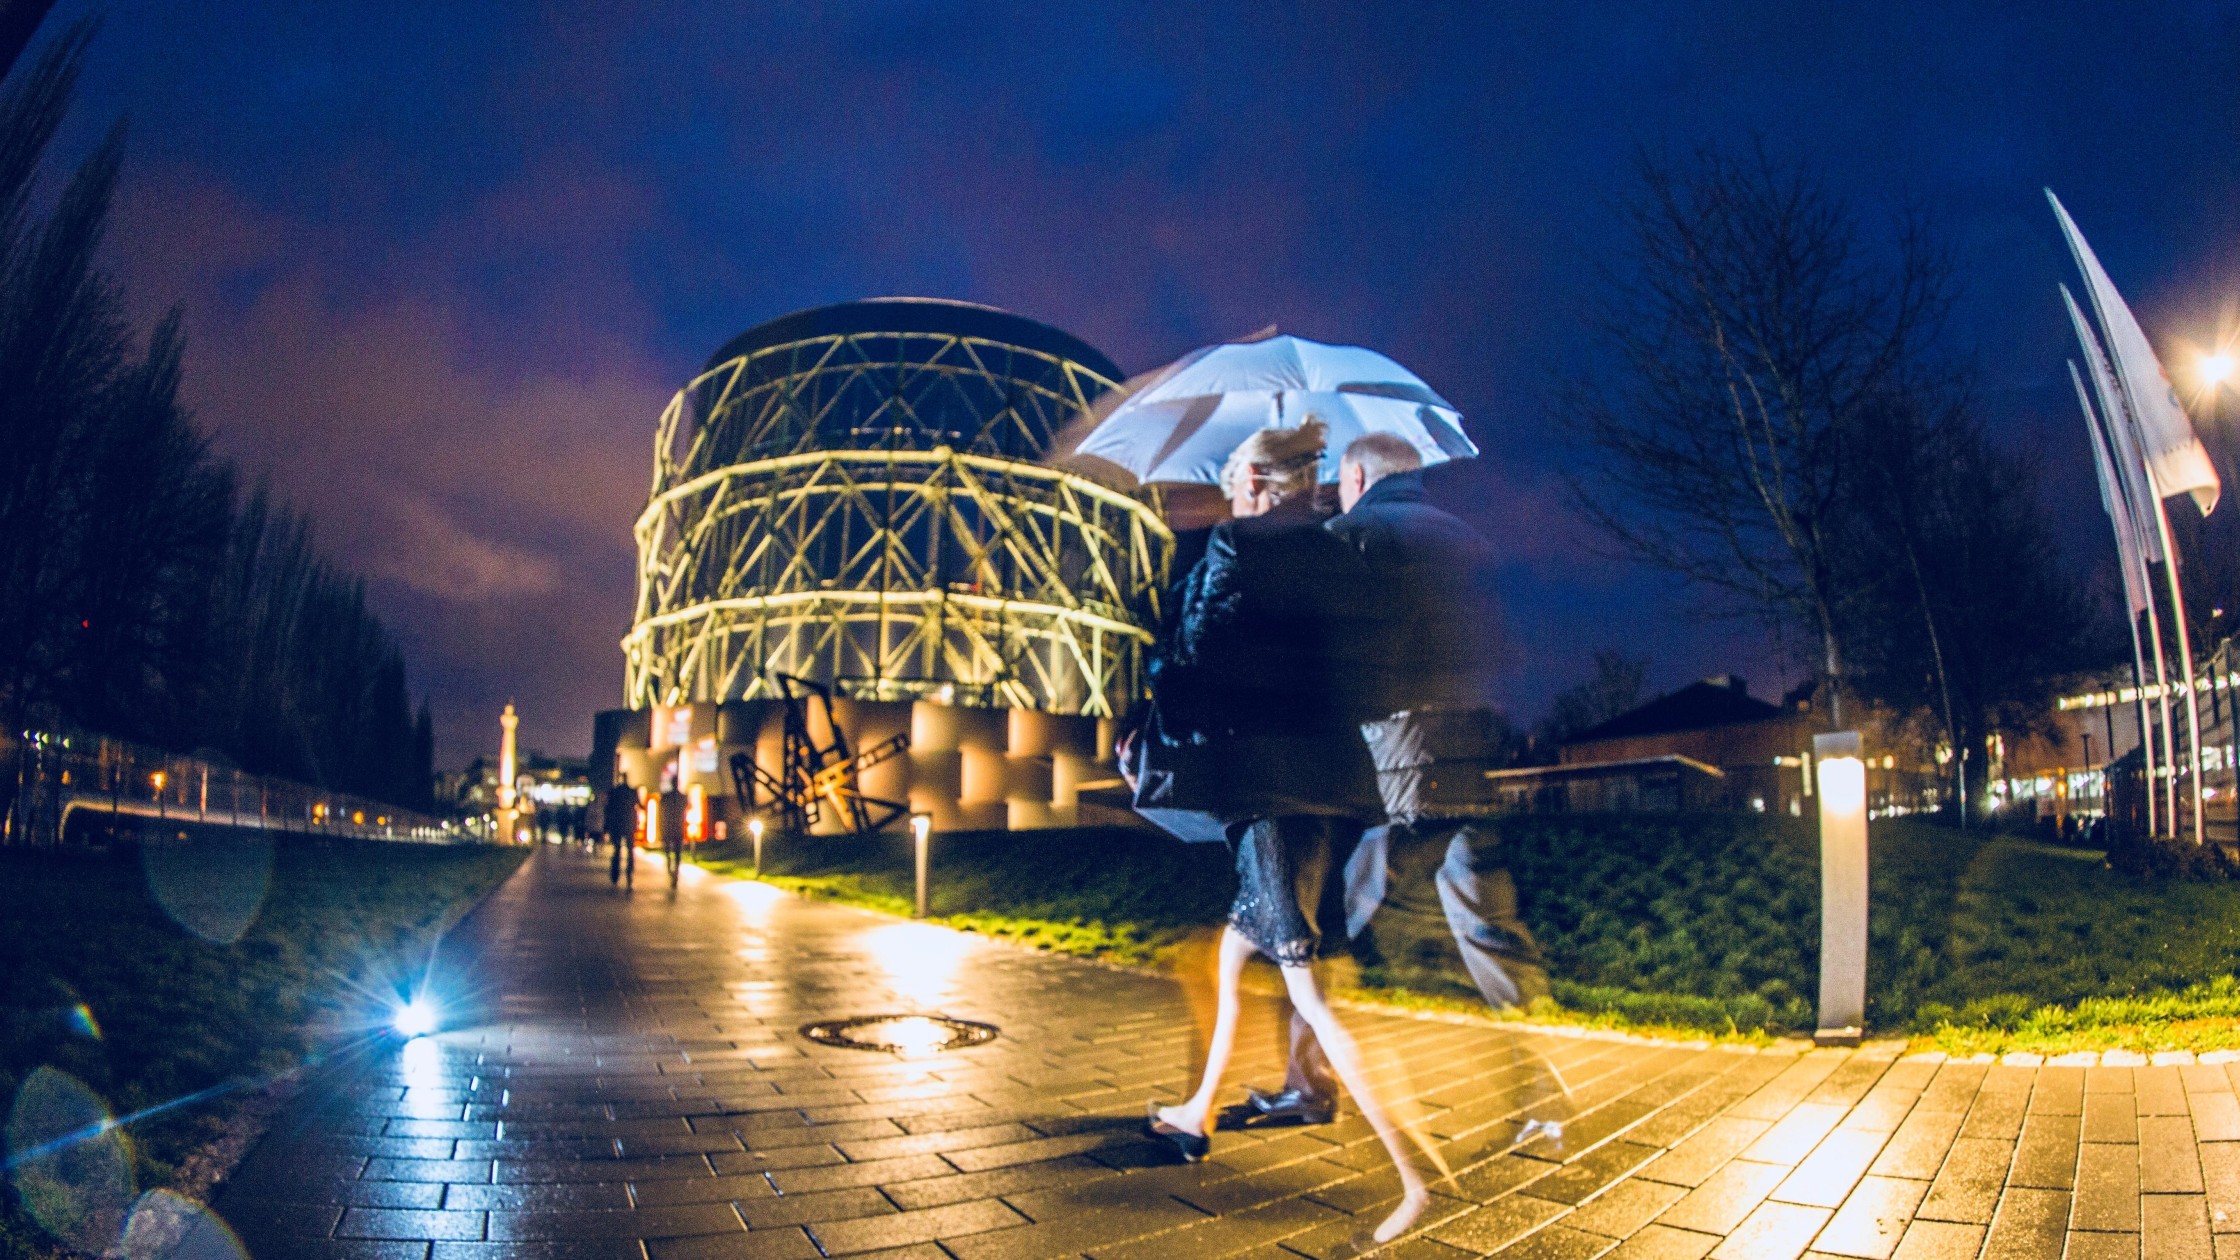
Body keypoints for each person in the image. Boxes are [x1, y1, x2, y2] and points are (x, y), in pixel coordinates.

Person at [1135, 419, 1431, 1246]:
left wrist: (1164, 644)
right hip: (1338, 783)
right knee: (1234, 950)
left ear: (1261, 485)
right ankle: (1195, 1113)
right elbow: (1374, 675)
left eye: (1236, 485)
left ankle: (1413, 1179)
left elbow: (1199, 658)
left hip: (1268, 787)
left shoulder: (1237, 546)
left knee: (1302, 983)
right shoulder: (1345, 551)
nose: (1230, 499)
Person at [1244, 432, 1552, 1129]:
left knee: (1319, 927)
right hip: (1472, 758)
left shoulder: (1353, 536)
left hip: (1393, 766)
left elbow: (1331, 653)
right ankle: (1542, 1086)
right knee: (1489, 926)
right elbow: (1504, 649)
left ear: (1356, 474)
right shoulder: (1466, 540)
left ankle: (1308, 1082)